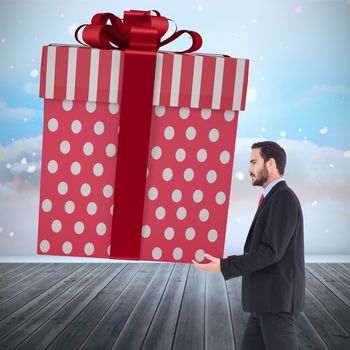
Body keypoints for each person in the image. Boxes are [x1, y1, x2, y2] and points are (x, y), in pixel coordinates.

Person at [192, 140, 305, 350]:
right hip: (265, 303)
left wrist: (225, 265)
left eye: (254, 162)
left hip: (275, 304)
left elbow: (270, 252)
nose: (249, 169)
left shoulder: (283, 198)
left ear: (271, 164)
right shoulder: (273, 197)